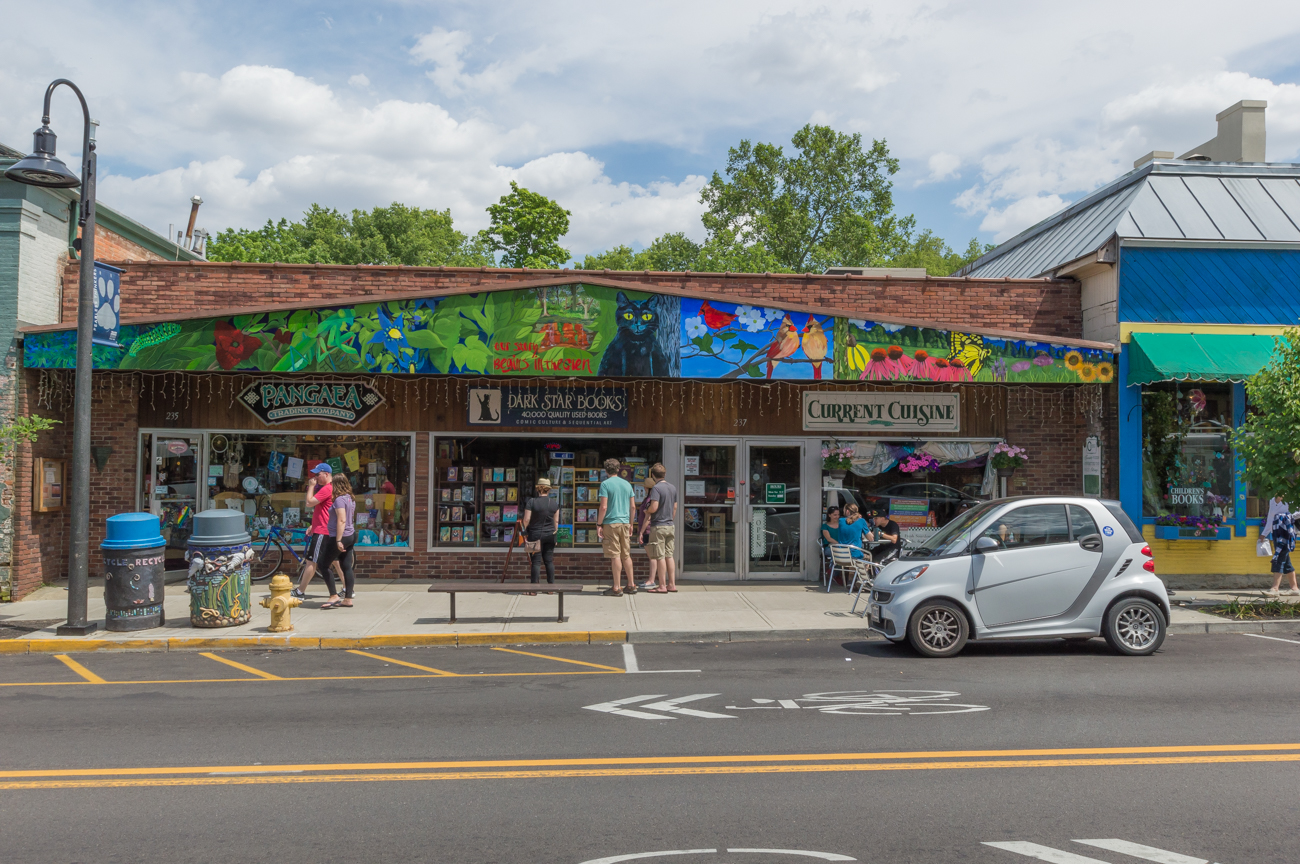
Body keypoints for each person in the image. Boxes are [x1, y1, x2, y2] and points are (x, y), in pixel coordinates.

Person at [293, 463, 336, 601]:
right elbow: (323, 511)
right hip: (322, 528)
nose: (315, 477)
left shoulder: (327, 489)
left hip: (323, 531)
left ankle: (301, 591)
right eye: (314, 475)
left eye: (318, 474)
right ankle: (347, 588)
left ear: (326, 474)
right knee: (334, 561)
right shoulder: (329, 488)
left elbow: (309, 502)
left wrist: (311, 487)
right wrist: (313, 524)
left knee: (311, 561)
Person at [596, 458, 637, 596]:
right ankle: (631, 585)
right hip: (625, 523)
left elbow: (603, 507)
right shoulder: (627, 484)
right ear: (618, 469)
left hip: (611, 523)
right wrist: (631, 523)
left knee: (615, 555)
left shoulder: (605, 484)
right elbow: (633, 507)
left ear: (606, 470)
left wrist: (598, 524)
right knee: (626, 555)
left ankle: (616, 587)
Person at [320, 475, 357, 609]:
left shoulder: (340, 500)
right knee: (346, 565)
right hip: (351, 535)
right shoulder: (350, 498)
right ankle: (347, 599)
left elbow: (342, 520)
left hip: (341, 536)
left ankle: (333, 595)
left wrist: (338, 540)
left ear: (336, 485)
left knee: (323, 564)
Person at [639, 463, 678, 593]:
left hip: (658, 525)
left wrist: (647, 511)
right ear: (665, 474)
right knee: (669, 555)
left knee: (660, 556)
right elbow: (675, 507)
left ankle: (662, 585)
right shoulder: (672, 488)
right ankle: (671, 584)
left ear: (653, 475)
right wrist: (670, 519)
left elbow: (654, 507)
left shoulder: (656, 488)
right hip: (670, 525)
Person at [521, 477, 560, 592]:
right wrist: (555, 534)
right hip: (550, 535)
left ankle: (533, 589)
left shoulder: (531, 502)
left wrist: (524, 530)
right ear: (549, 490)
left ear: (538, 488)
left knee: (536, 562)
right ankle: (550, 588)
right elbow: (556, 522)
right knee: (549, 560)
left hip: (535, 534)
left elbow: (526, 519)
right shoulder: (554, 504)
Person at [1264, 495, 1299, 597]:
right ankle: (1294, 588)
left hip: (1287, 532)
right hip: (1276, 531)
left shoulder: (1293, 499)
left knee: (1279, 557)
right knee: (1286, 560)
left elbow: (1297, 513)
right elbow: (1270, 517)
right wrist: (1264, 533)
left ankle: (1275, 588)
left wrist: (1286, 516)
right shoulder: (1272, 500)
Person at [635, 476, 659, 590]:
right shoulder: (648, 498)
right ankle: (650, 579)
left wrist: (641, 532)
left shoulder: (649, 500)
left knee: (652, 557)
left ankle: (651, 580)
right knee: (651, 556)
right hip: (647, 530)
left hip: (648, 530)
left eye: (645, 487)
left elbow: (647, 518)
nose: (644, 488)